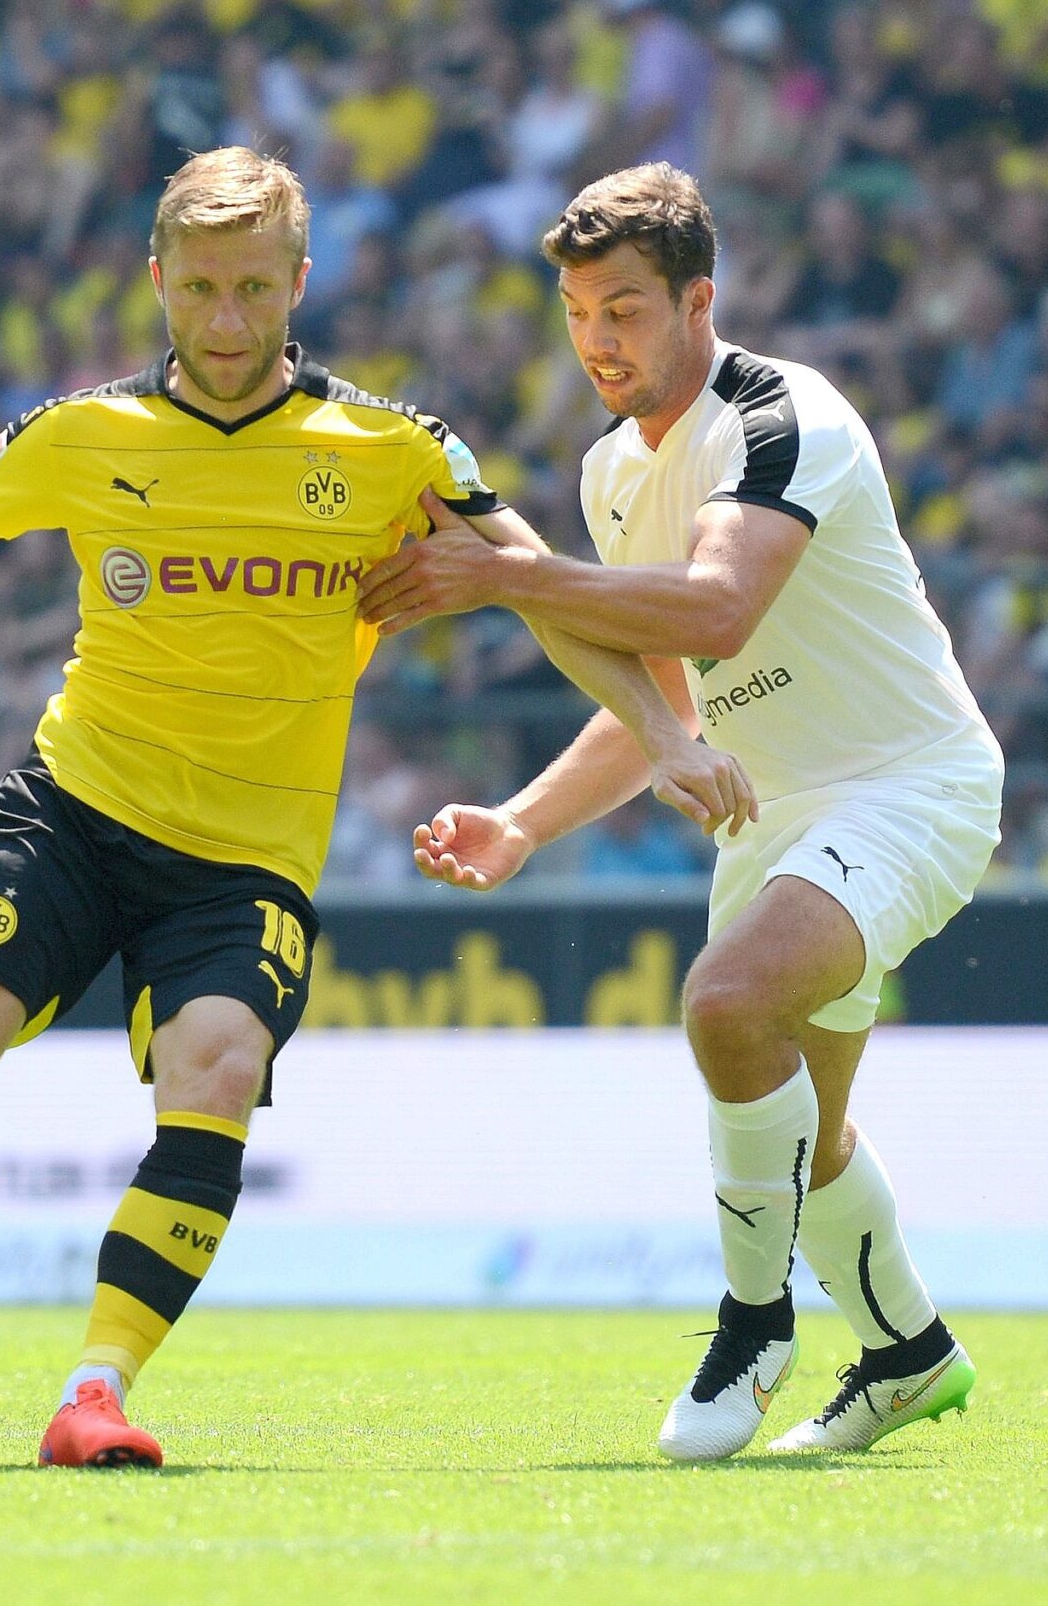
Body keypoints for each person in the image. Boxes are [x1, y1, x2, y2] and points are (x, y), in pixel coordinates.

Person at [0, 147, 749, 1469]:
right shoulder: (84, 434)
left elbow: (544, 586)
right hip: (75, 813)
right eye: (200, 289)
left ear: (299, 283)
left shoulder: (390, 450)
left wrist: (662, 731)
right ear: (158, 281)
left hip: (244, 862)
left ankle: (95, 1393)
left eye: (256, 289)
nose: (228, 320)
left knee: (217, 1071)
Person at [362, 163, 1002, 1459]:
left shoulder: (781, 417)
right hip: (770, 815)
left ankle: (753, 1323)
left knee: (724, 1001)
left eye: (628, 310)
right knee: (805, 1140)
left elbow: (717, 613)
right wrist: (527, 822)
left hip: (907, 785)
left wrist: (504, 577)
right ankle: (910, 1354)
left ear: (697, 300)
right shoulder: (608, 473)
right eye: (580, 312)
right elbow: (665, 699)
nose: (600, 340)